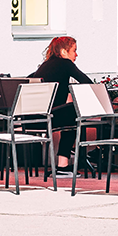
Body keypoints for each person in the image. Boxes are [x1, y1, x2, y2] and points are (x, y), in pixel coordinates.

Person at [28, 36, 92, 177]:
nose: (76, 54)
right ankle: (62, 166)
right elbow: (87, 82)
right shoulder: (65, 64)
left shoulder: (44, 66)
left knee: (70, 112)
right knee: (74, 112)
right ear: (64, 52)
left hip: (32, 118)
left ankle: (64, 164)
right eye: (74, 50)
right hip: (49, 117)